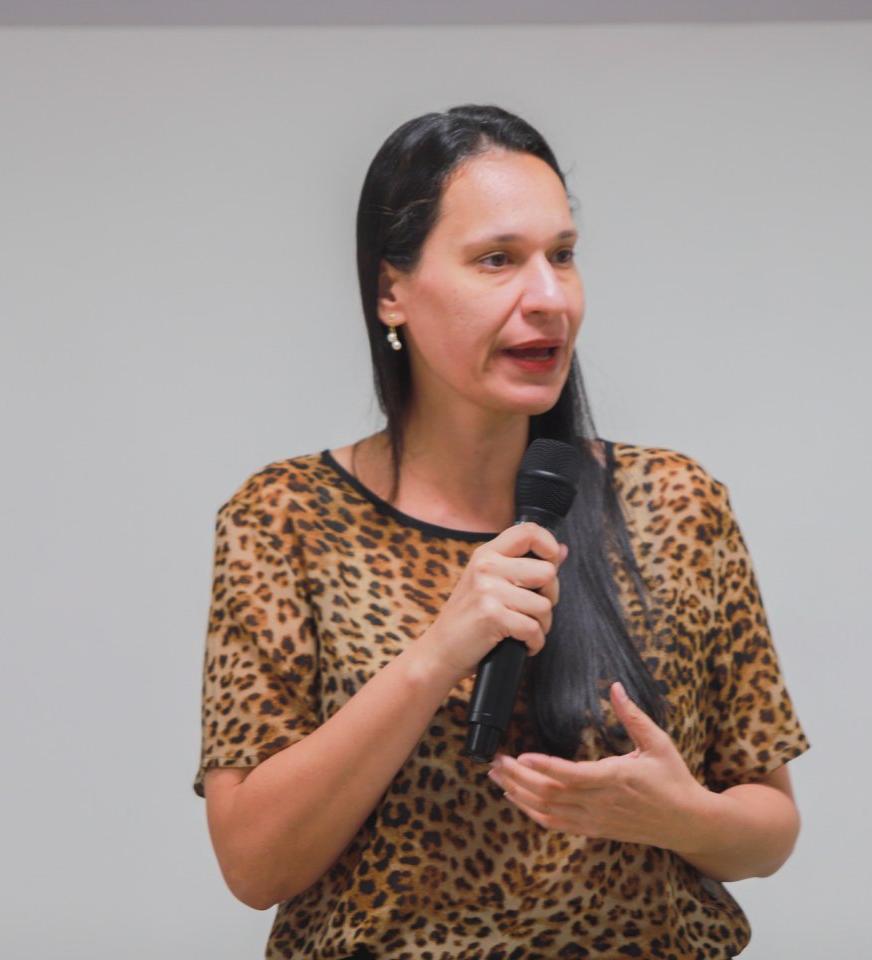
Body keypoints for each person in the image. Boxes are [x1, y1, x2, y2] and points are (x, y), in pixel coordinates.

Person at [194, 104, 809, 960]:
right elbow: (255, 864)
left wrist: (681, 817)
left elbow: (770, 830)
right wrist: (438, 653)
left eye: (563, 255)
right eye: (497, 260)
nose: (550, 298)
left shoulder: (676, 503)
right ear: (392, 291)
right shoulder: (284, 516)